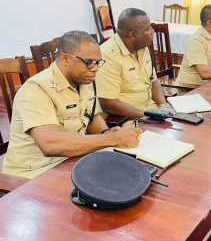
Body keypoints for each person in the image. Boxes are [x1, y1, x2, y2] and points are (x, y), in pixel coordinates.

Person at [2, 31, 142, 179]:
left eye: (98, 62)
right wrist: (113, 140)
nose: (95, 69)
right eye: (89, 62)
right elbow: (49, 144)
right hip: (33, 174)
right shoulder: (36, 89)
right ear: (64, 59)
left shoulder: (84, 81)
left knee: (131, 175)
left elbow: (91, 115)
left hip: (72, 160)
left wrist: (105, 133)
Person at [96, 8, 168, 119]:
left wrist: (163, 105)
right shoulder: (107, 56)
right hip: (130, 119)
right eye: (148, 28)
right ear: (132, 35)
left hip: (152, 111)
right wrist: (147, 116)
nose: (153, 31)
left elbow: (153, 81)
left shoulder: (142, 47)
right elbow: (108, 104)